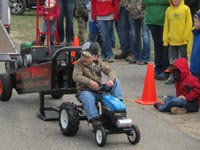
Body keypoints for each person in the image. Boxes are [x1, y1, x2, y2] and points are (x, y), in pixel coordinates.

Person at [73, 42, 123, 129]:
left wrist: (111, 80)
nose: (84, 58)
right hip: (86, 90)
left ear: (95, 57)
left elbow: (110, 71)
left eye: (87, 56)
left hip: (99, 89)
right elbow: (76, 76)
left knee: (116, 82)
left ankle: (118, 107)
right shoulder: (79, 64)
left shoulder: (97, 64)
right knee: (87, 97)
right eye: (82, 55)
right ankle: (95, 119)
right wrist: (89, 82)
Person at [163, 0, 192, 84]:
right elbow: (166, 25)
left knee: (183, 60)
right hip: (172, 41)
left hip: (182, 41)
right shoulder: (169, 10)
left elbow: (188, 24)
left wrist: (185, 38)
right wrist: (166, 39)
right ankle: (173, 76)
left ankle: (184, 77)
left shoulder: (186, 9)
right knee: (172, 60)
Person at [142, 0, 169, 80]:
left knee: (165, 45)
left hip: (164, 19)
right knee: (157, 45)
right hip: (152, 19)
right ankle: (158, 68)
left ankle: (166, 69)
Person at [127, 0, 151, 65]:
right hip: (132, 13)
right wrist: (128, 6)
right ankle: (136, 57)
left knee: (145, 36)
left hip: (144, 13)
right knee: (134, 35)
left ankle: (146, 58)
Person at [190, 10, 200, 81]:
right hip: (195, 69)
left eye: (196, 22)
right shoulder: (195, 34)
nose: (194, 24)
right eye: (194, 22)